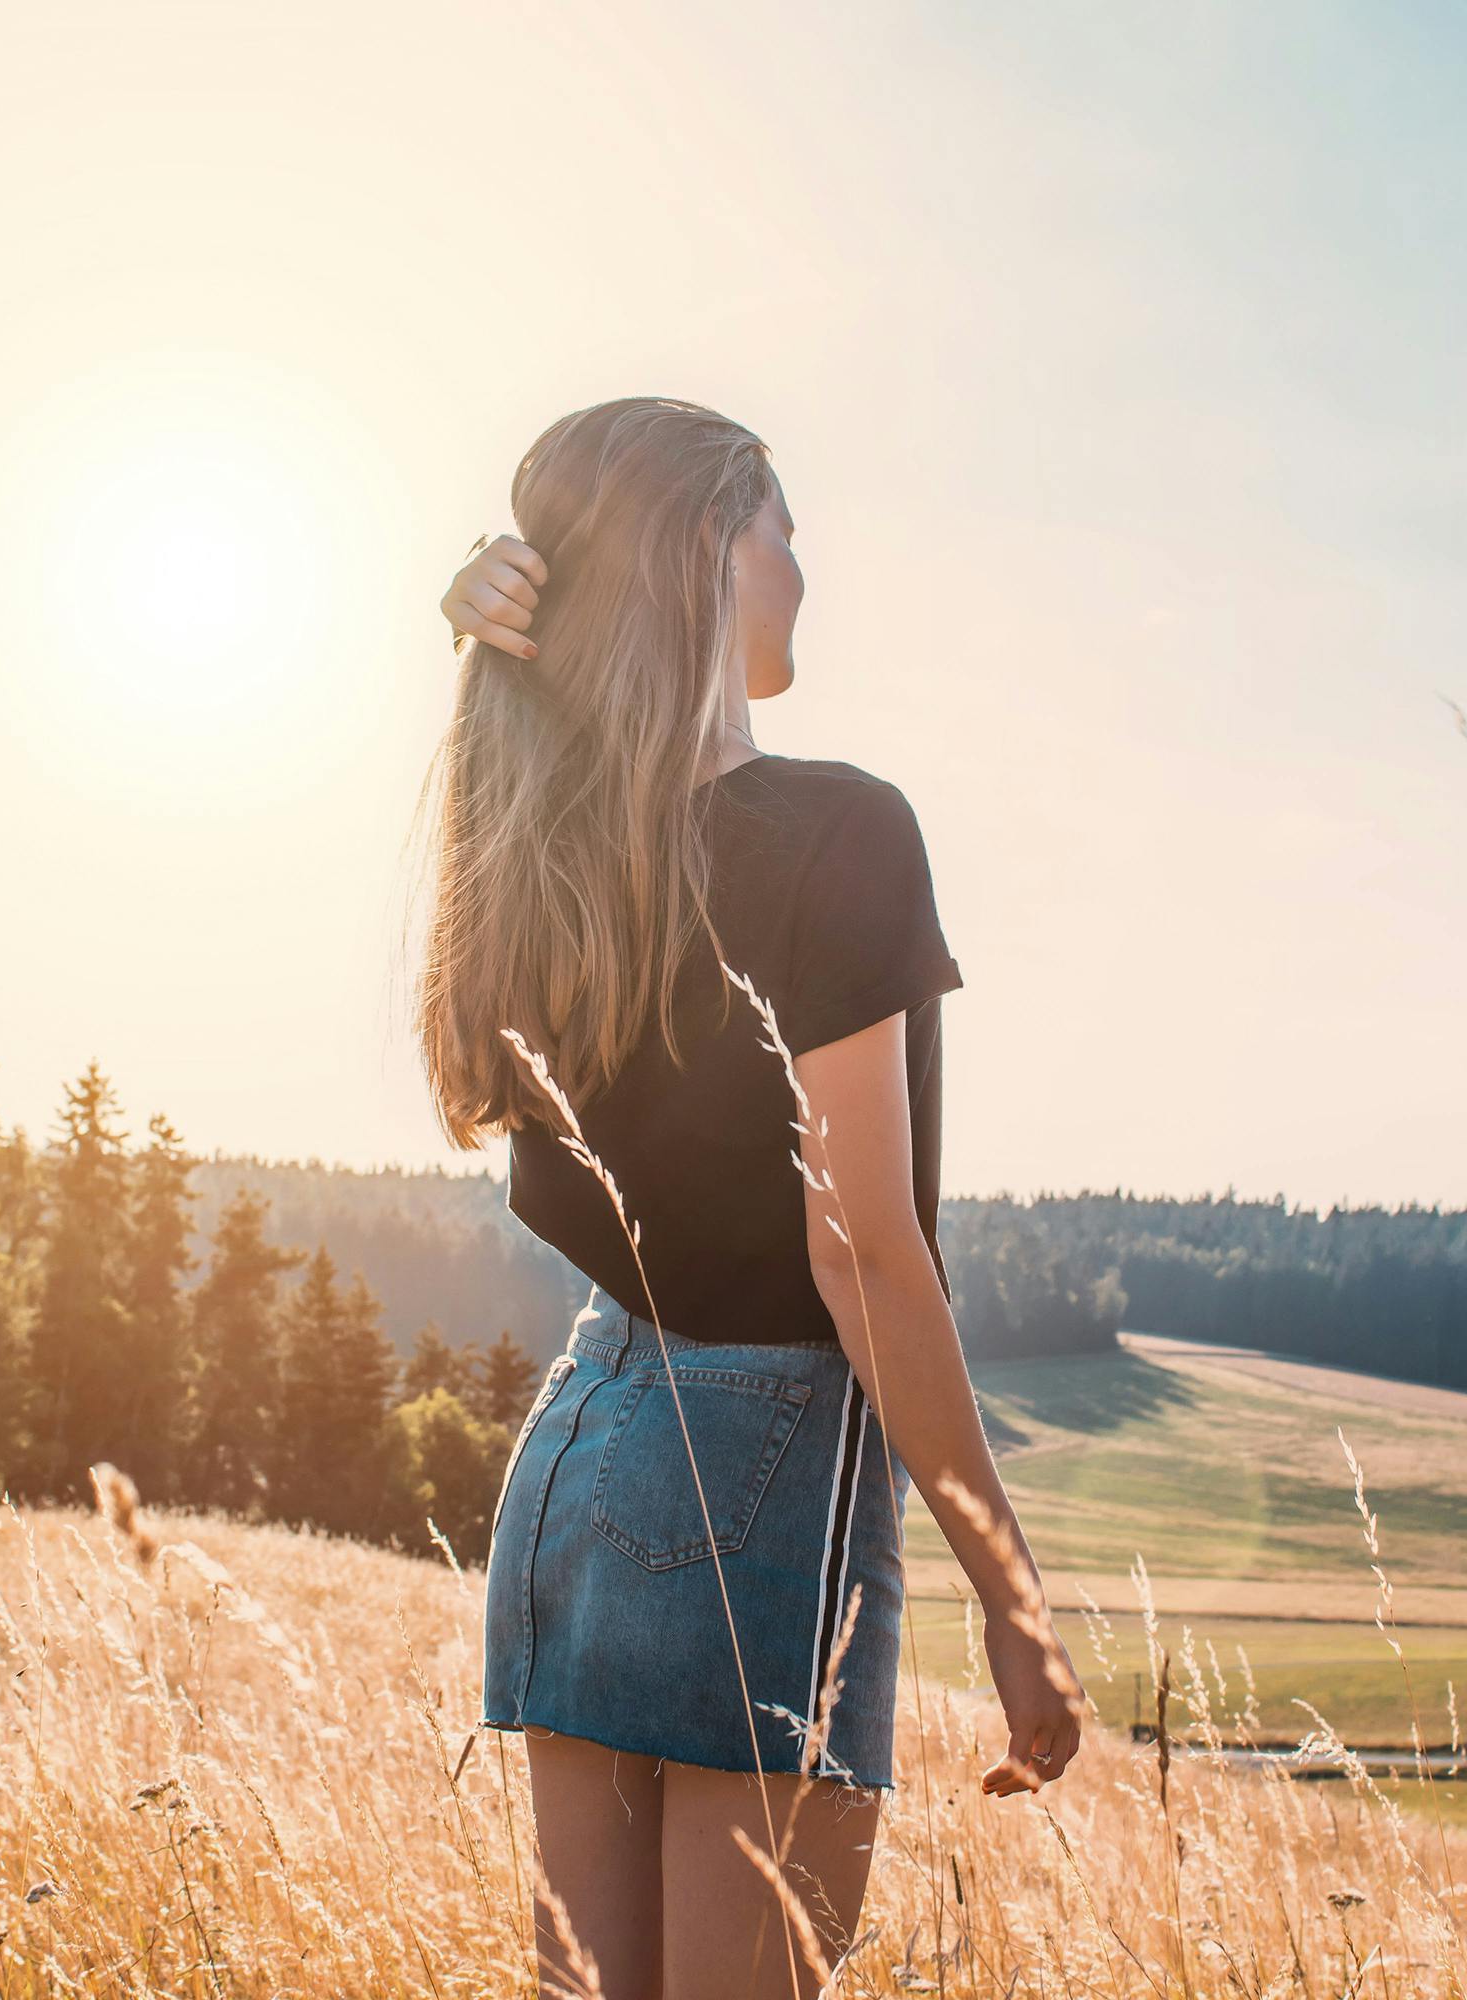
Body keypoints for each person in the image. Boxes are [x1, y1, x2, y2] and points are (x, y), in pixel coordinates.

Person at [413, 398, 1084, 2000]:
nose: (805, 564)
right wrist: (1012, 1592)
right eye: (782, 527)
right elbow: (859, 1248)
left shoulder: (554, 847)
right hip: (756, 1472)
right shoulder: (837, 829)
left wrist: (493, 647)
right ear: (709, 551)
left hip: (585, 1447)